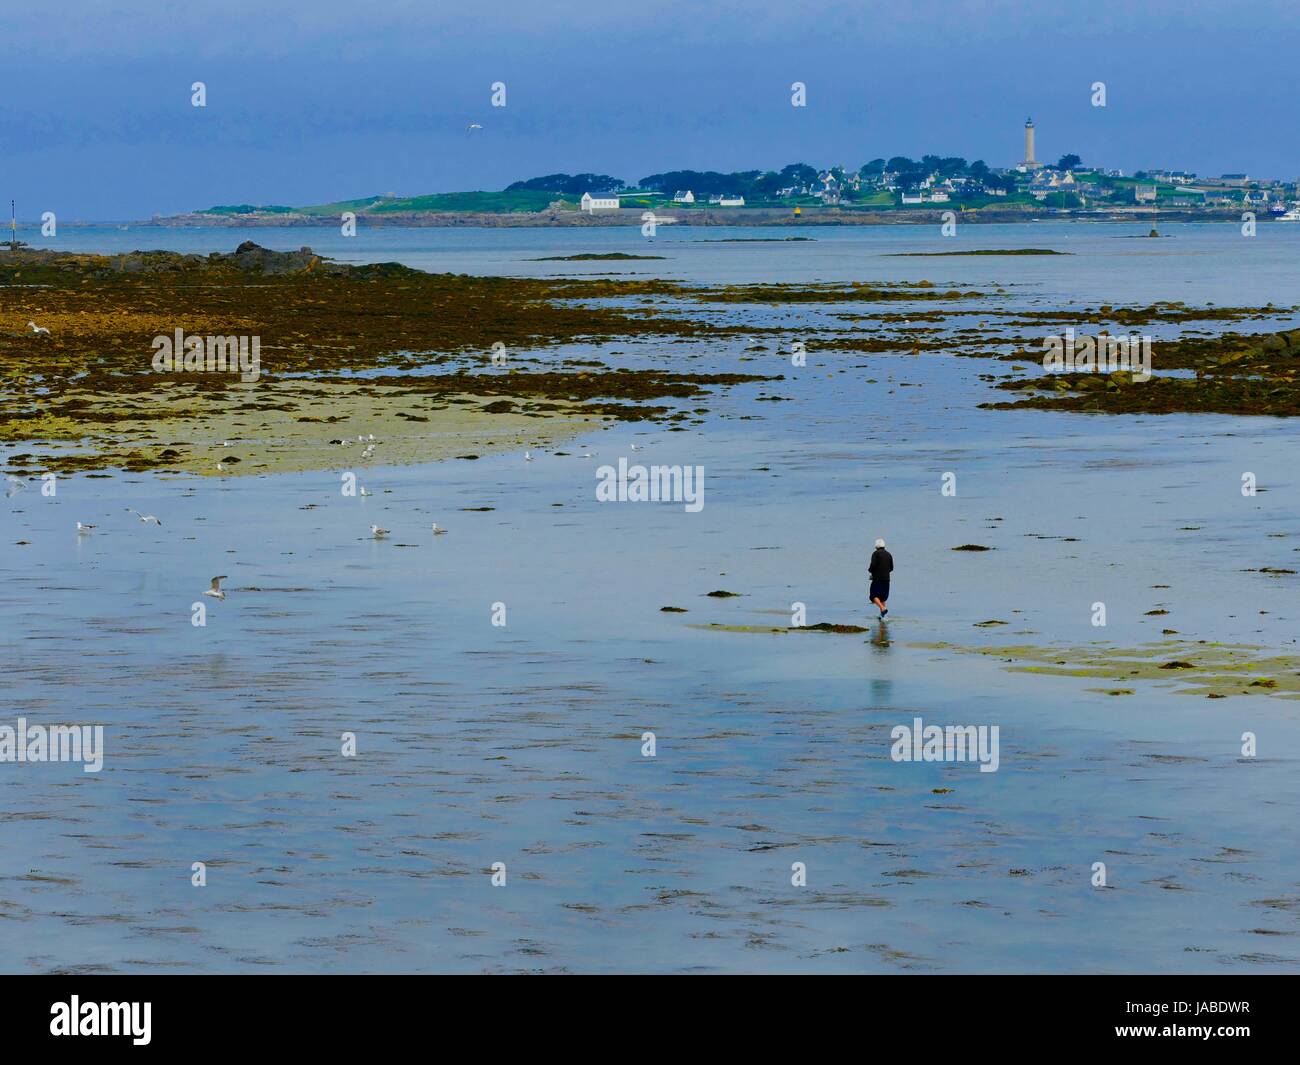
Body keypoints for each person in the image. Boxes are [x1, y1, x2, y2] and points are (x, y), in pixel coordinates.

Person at [869, 537, 893, 619]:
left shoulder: (875, 554)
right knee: (883, 597)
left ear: (876, 546)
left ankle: (883, 608)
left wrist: (870, 571)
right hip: (887, 579)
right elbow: (891, 568)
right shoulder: (889, 554)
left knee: (873, 596)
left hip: (877, 579)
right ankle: (882, 616)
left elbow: (873, 565)